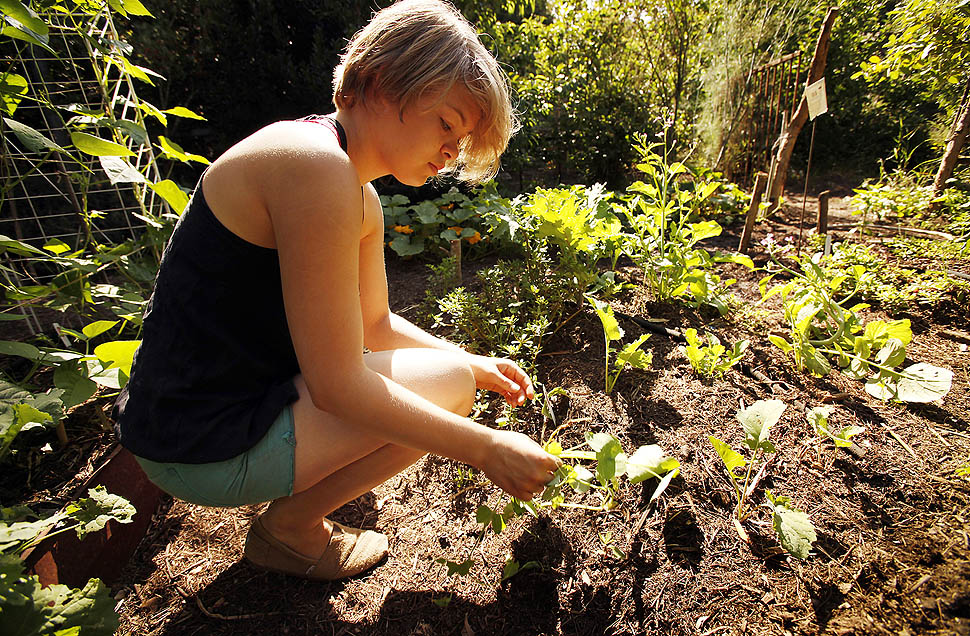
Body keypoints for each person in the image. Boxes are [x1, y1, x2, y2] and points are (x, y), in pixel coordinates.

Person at [113, 0, 561, 581]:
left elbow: (375, 325)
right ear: (378, 82)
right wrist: (485, 448)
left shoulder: (355, 191)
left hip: (194, 417)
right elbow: (337, 385)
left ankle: (290, 518)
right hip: (198, 442)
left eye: (463, 139)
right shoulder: (314, 169)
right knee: (444, 391)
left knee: (450, 378)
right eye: (448, 123)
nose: (453, 152)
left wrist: (470, 360)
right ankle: (290, 531)